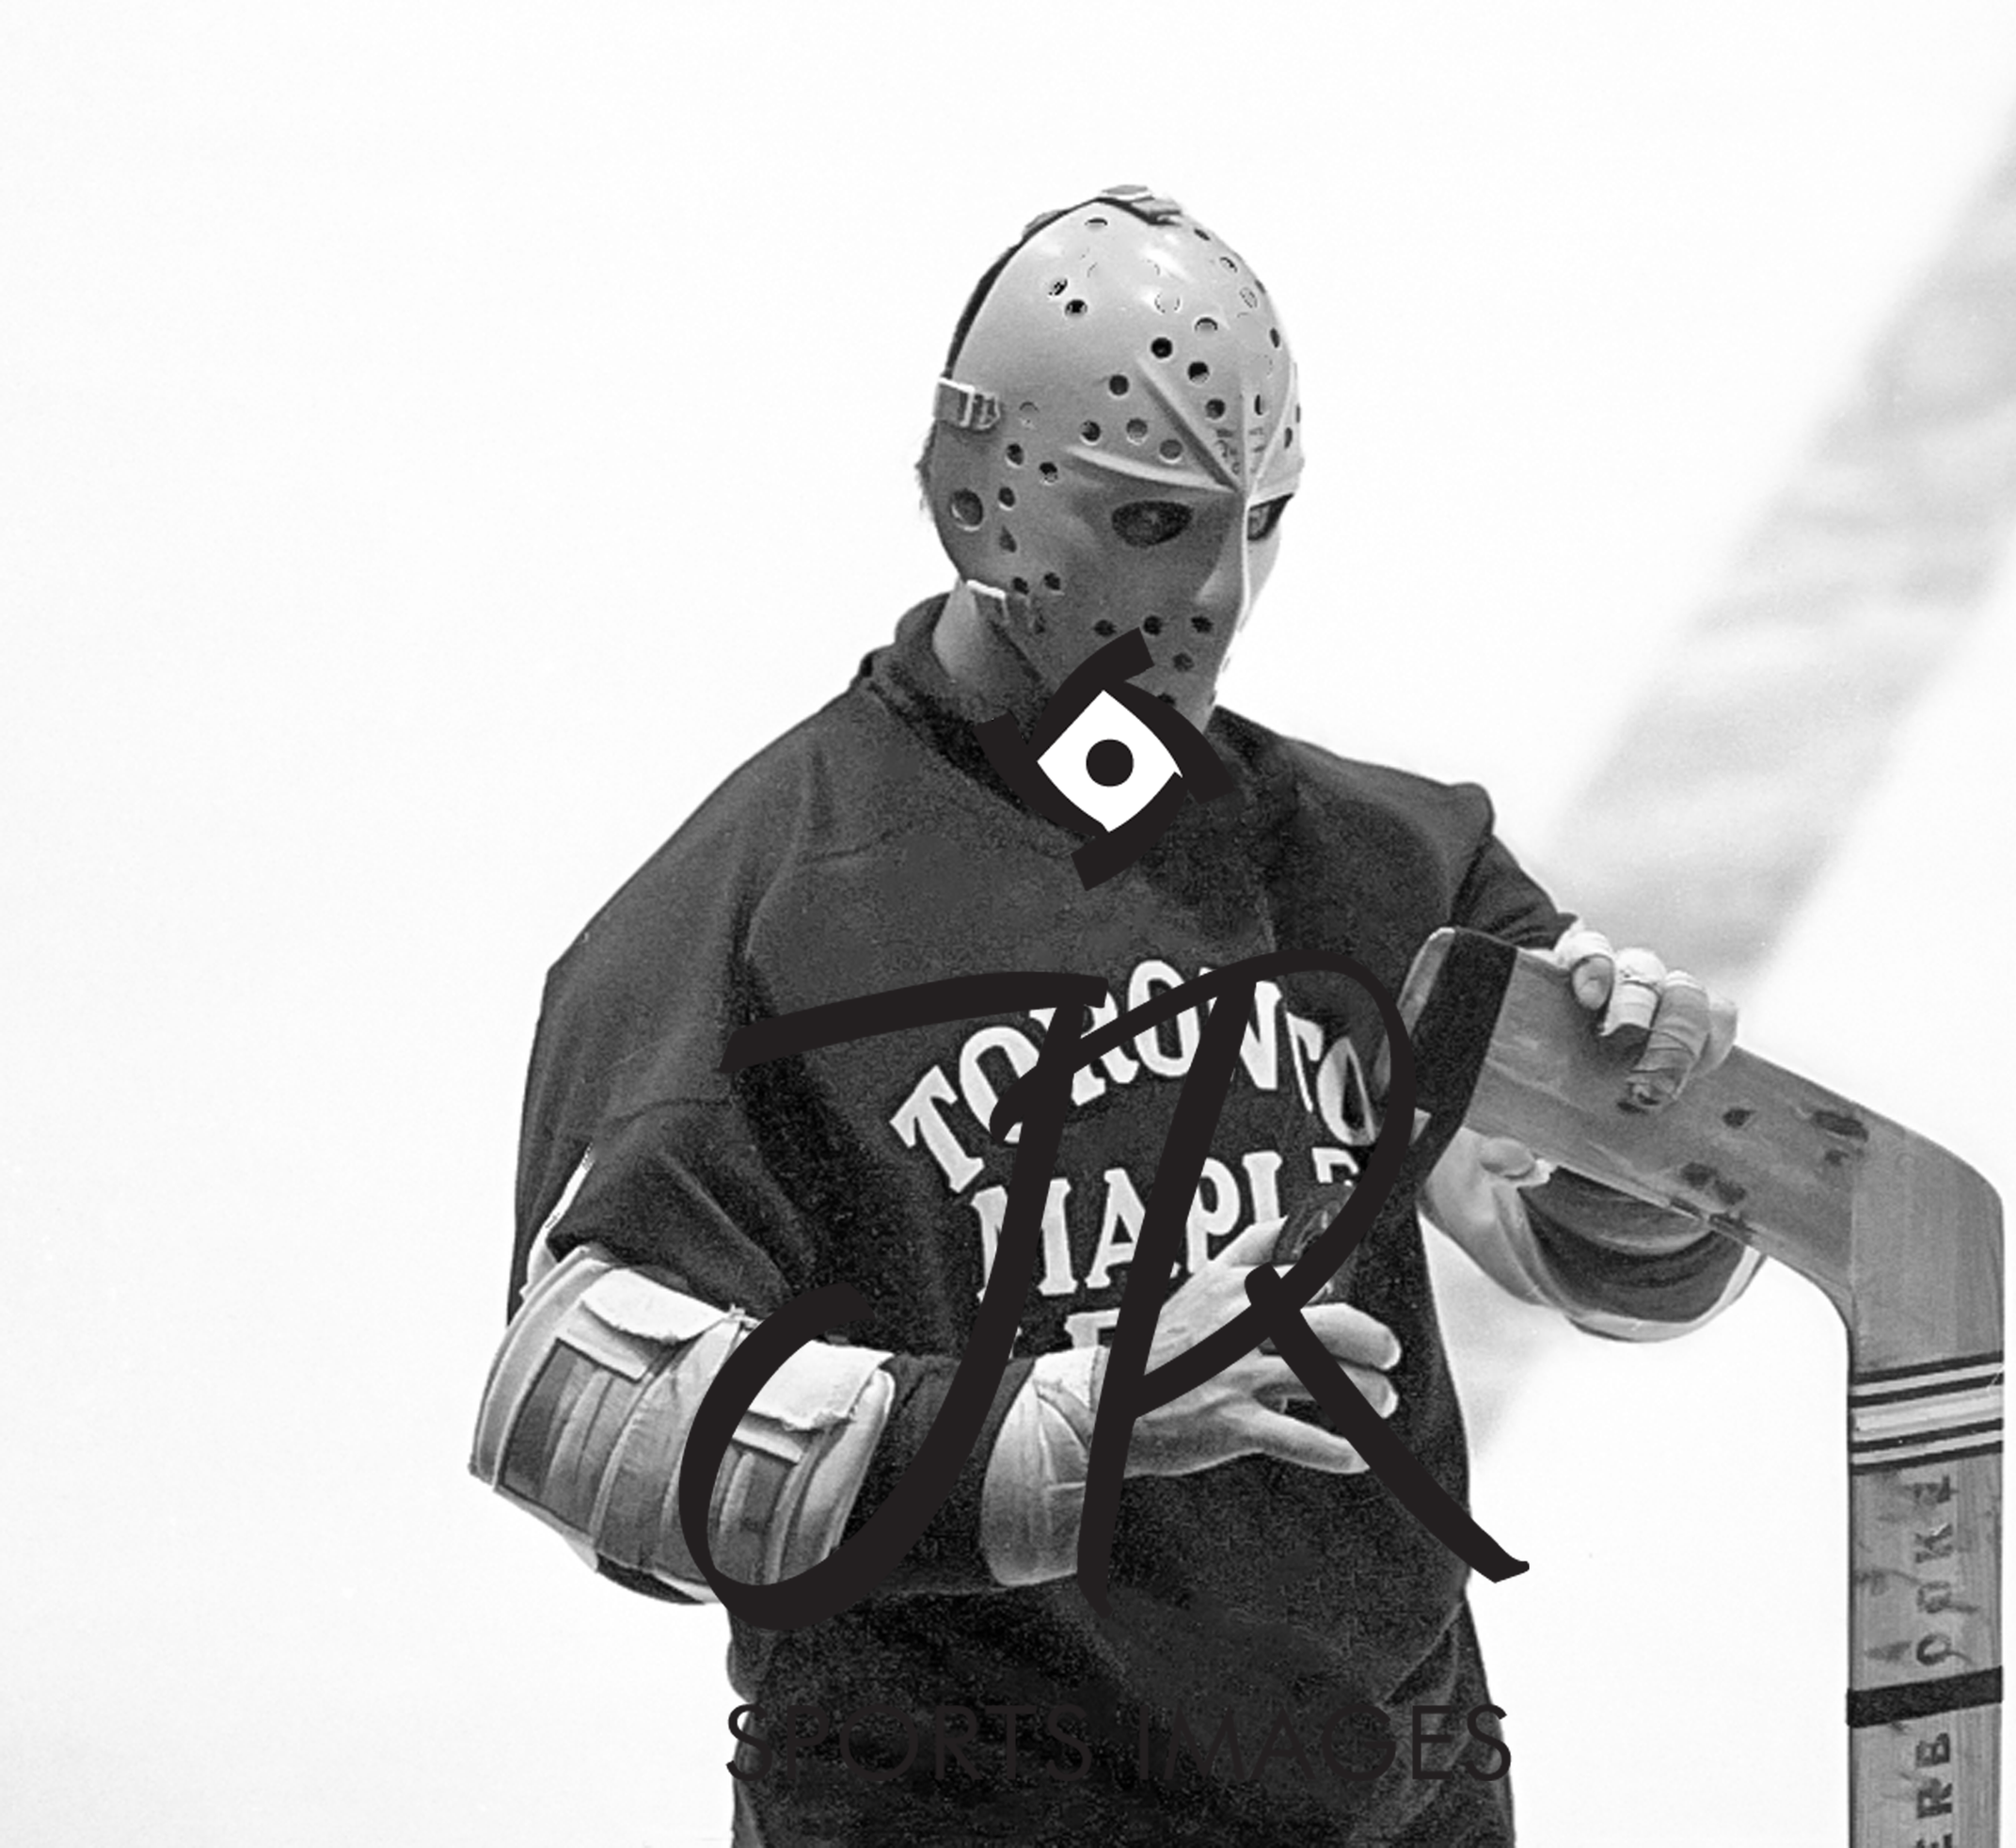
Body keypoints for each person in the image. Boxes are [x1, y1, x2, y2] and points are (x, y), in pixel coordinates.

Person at [471, 184, 1757, 1848]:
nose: (1220, 591)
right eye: (1153, 524)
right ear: (972, 504)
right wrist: (1054, 1433)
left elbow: (1601, 1257)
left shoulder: (1374, 863)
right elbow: (584, 1414)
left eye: (1262, 516)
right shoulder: (753, 923)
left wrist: (1638, 1149)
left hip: (1401, 1792)